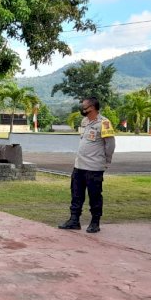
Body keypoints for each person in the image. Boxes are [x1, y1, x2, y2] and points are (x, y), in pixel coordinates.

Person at [58, 97, 115, 234]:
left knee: (94, 195)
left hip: (94, 167)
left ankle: (95, 222)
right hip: (79, 166)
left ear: (93, 108)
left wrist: (106, 161)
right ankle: (74, 220)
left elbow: (110, 145)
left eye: (84, 106)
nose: (82, 109)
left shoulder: (104, 123)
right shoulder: (84, 121)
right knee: (76, 194)